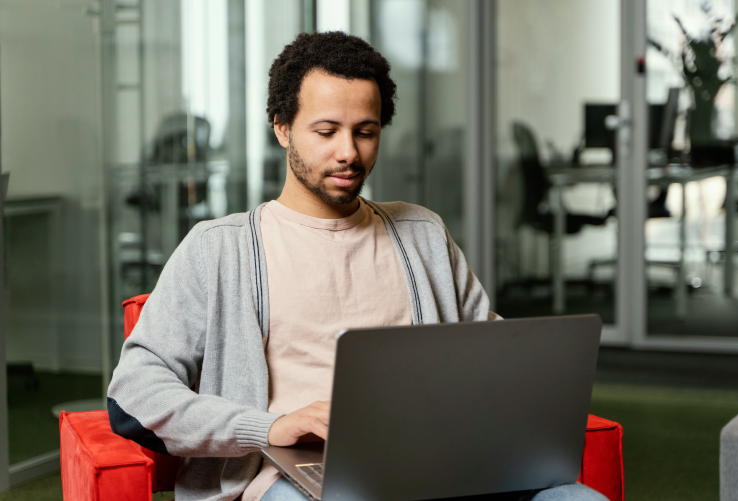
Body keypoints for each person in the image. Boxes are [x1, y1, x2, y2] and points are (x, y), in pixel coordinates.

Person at [107, 32, 608, 501]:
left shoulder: (423, 234)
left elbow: (493, 357)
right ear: (282, 128)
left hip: (436, 468)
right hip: (293, 479)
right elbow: (133, 395)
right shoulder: (219, 249)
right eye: (326, 131)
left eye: (365, 132)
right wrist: (268, 426)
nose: (348, 153)